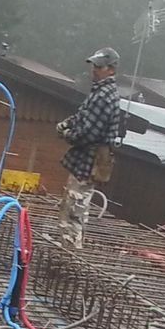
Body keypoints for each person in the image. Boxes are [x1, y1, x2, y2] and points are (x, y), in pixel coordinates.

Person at [54, 47, 127, 250]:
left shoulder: (105, 96)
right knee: (72, 208)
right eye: (94, 65)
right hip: (84, 163)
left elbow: (88, 134)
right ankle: (68, 250)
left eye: (99, 66)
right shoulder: (100, 92)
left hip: (89, 163)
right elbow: (82, 115)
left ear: (111, 69)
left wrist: (66, 134)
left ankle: (69, 256)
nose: (94, 70)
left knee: (73, 213)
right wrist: (66, 124)